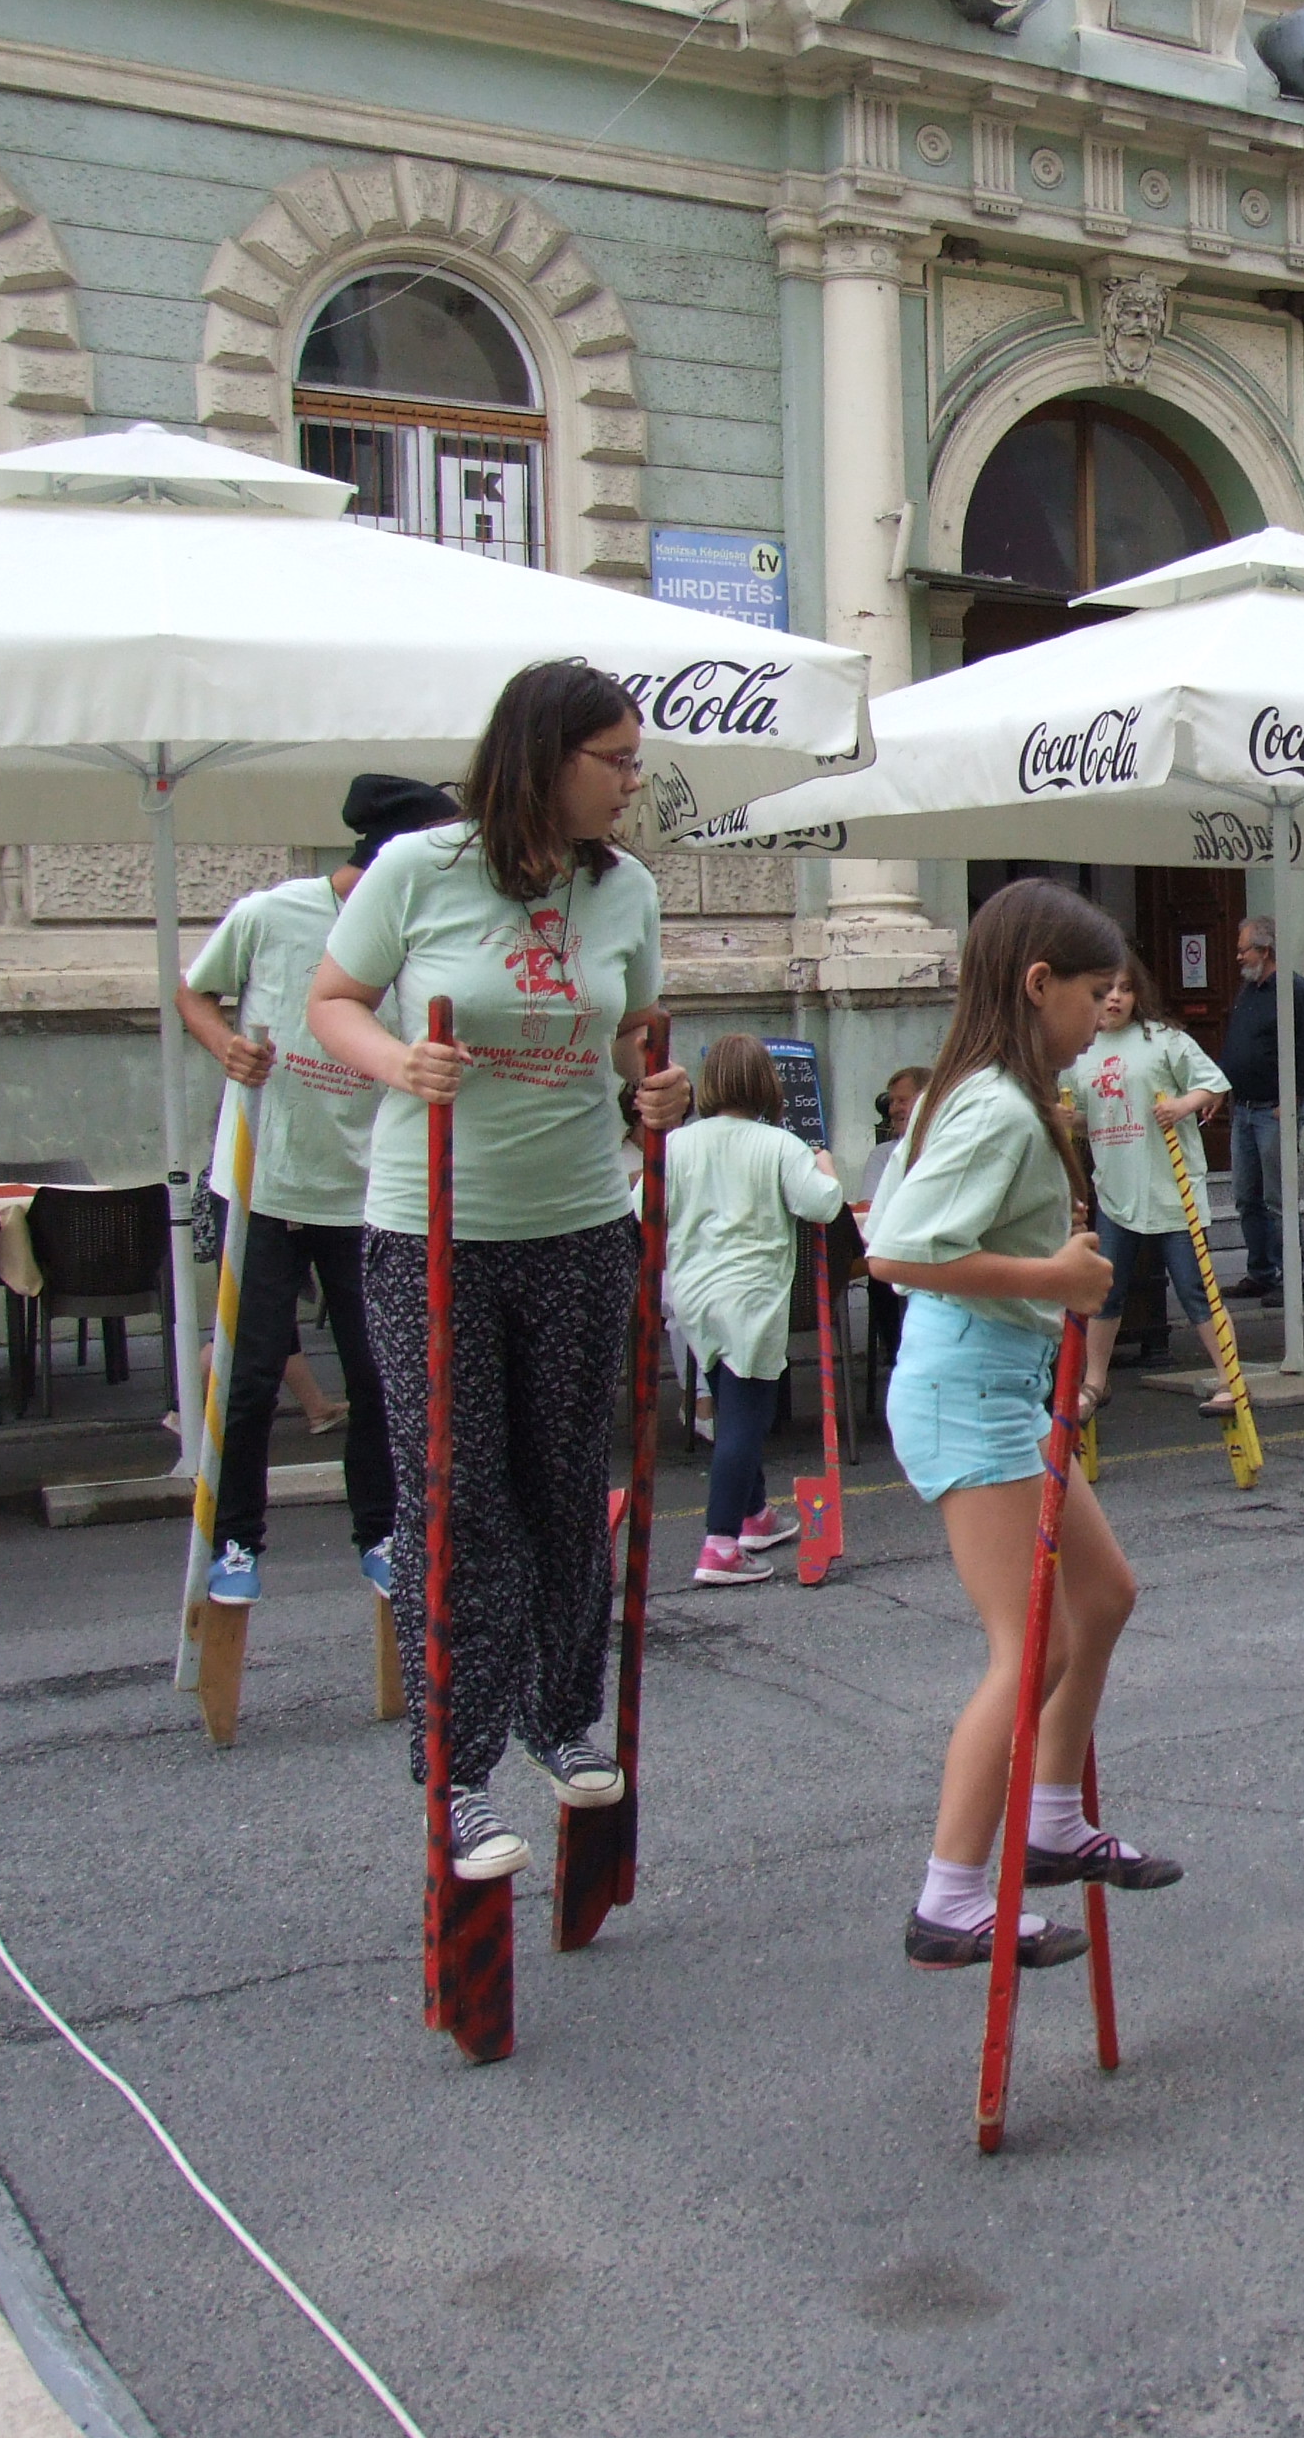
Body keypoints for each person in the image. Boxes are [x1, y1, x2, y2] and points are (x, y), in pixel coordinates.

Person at [308, 659, 690, 1886]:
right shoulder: (419, 869)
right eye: (615, 761)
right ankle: (458, 1767)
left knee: (568, 1486)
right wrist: (393, 1064)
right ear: (544, 757)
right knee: (458, 1496)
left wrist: (655, 1084)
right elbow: (333, 1000)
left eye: (635, 761)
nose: (631, 783)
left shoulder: (622, 888)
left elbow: (627, 1027)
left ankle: (557, 1713)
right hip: (433, 1230)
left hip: (577, 1221)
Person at [867, 877, 1180, 1972]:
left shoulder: (991, 1092)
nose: (1105, 1014)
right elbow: (896, 1252)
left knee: (1104, 1595)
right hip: (968, 1392)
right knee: (1031, 1642)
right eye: (1094, 995)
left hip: (1000, 1386)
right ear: (1038, 984)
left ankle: (1049, 1818)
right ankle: (950, 1896)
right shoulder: (996, 1104)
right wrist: (1054, 1275)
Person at [171, 772, 461, 1606]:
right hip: (263, 1178)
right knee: (249, 1372)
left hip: (366, 1190)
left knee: (380, 1374)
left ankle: (380, 1532)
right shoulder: (272, 914)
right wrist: (225, 1045)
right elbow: (193, 991)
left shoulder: (425, 929)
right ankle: (233, 1540)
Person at [664, 1034, 847, 1588]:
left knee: (729, 1400)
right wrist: (826, 1166)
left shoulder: (676, 1145)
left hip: (694, 1290)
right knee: (748, 1415)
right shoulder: (780, 1144)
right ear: (767, 1084)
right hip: (752, 1293)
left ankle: (754, 1513)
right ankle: (720, 1543)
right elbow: (820, 1203)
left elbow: (639, 1205)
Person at [1065, 960, 1240, 1418]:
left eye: (1125, 989)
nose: (1115, 998)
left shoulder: (1163, 1040)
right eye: (1106, 989)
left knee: (1195, 1287)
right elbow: (1086, 1116)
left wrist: (1183, 1105)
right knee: (1105, 1290)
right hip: (1116, 1191)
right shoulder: (1082, 1048)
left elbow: (1213, 1084)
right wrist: (1068, 1119)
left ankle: (1229, 1378)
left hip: (1171, 1190)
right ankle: (1095, 1381)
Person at [1218, 916, 1304, 1300]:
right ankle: (1261, 1271)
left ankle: (1290, 1278)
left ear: (1265, 951)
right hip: (1244, 1108)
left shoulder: (1295, 992)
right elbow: (1238, 1044)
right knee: (1246, 1196)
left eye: (1243, 950)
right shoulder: (1249, 991)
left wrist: (1294, 1098)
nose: (1238, 957)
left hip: (1273, 1110)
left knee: (1279, 1199)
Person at [865, 1066, 930, 1391]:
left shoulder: (945, 1147)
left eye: (902, 1100)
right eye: (891, 1102)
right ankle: (897, 1358)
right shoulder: (884, 1155)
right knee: (879, 1278)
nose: (894, 1109)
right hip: (897, 1254)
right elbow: (871, 1207)